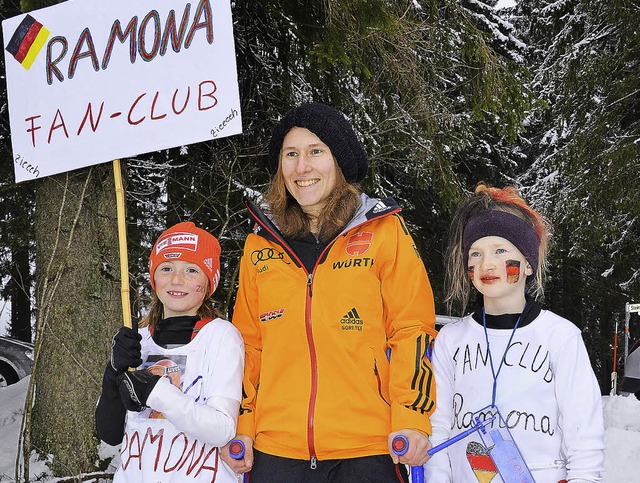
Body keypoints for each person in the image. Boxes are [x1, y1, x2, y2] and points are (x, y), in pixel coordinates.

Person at [221, 102, 438, 482]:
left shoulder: (383, 232)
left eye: (315, 151)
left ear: (339, 162)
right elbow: (248, 346)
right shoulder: (260, 246)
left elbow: (412, 329)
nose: (301, 167)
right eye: (291, 154)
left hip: (367, 451)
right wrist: (243, 424)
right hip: (275, 452)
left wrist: (411, 418)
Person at [424, 183, 605, 482]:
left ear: (528, 264)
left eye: (500, 250)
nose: (487, 263)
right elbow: (439, 427)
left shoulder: (560, 337)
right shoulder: (451, 340)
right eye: (476, 254)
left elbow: (583, 432)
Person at [95, 221, 244, 483]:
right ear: (154, 277)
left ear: (209, 281)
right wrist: (113, 373)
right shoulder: (138, 340)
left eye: (191, 270)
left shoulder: (221, 336)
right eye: (166, 268)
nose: (177, 280)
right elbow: (109, 434)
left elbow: (222, 430)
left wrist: (157, 392)